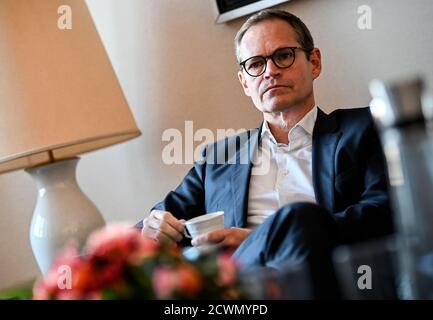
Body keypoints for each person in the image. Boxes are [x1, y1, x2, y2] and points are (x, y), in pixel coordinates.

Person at [136, 9, 394, 299]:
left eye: (283, 56)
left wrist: (265, 237)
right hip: (237, 285)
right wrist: (152, 226)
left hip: (328, 275)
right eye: (256, 64)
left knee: (298, 218)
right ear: (245, 83)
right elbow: (144, 230)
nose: (270, 71)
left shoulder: (362, 128)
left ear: (315, 62)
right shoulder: (218, 157)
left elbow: (385, 210)